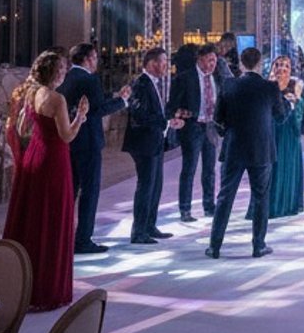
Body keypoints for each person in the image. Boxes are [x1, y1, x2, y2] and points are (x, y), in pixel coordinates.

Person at [2, 50, 88, 310]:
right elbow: (67, 135)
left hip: (33, 157)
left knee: (33, 222)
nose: (64, 74)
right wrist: (80, 116)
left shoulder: (27, 93)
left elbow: (13, 129)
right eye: (61, 70)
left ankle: (22, 286)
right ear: (52, 72)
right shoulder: (56, 99)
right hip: (53, 162)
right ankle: (48, 290)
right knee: (53, 223)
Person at [208, 46, 287, 259]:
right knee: (261, 197)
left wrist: (228, 133)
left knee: (225, 196)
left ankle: (214, 246)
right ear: (260, 63)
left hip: (234, 148)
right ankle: (258, 245)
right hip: (261, 150)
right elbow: (280, 117)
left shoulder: (229, 85)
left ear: (242, 64)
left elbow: (218, 120)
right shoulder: (270, 88)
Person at [59, 42, 129, 255]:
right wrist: (122, 101)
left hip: (69, 141)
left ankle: (63, 237)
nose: (97, 62)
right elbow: (97, 109)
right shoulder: (89, 79)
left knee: (70, 191)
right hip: (88, 142)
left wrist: (115, 97)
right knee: (90, 192)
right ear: (88, 59)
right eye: (95, 58)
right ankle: (83, 240)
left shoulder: (66, 78)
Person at [123, 47, 183, 245]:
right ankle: (138, 231)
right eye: (163, 62)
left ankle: (149, 225)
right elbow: (140, 115)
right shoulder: (141, 83)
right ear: (151, 63)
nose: (166, 66)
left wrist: (169, 122)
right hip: (143, 143)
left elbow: (155, 113)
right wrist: (164, 122)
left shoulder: (153, 83)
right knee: (146, 186)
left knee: (155, 185)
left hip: (154, 141)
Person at [168, 47, 224, 223]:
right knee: (189, 169)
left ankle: (209, 206)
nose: (212, 64)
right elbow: (173, 104)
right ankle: (185, 208)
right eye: (209, 60)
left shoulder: (217, 77)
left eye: (214, 60)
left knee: (209, 169)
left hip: (211, 127)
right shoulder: (185, 78)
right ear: (199, 60)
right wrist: (180, 114)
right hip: (192, 127)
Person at [259, 54, 304, 219]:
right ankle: (269, 205)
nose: (282, 68)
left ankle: (287, 204)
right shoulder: (267, 86)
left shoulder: (296, 85)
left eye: (286, 66)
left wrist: (295, 103)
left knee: (286, 165)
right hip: (271, 132)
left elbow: (300, 110)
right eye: (278, 65)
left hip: (289, 132)